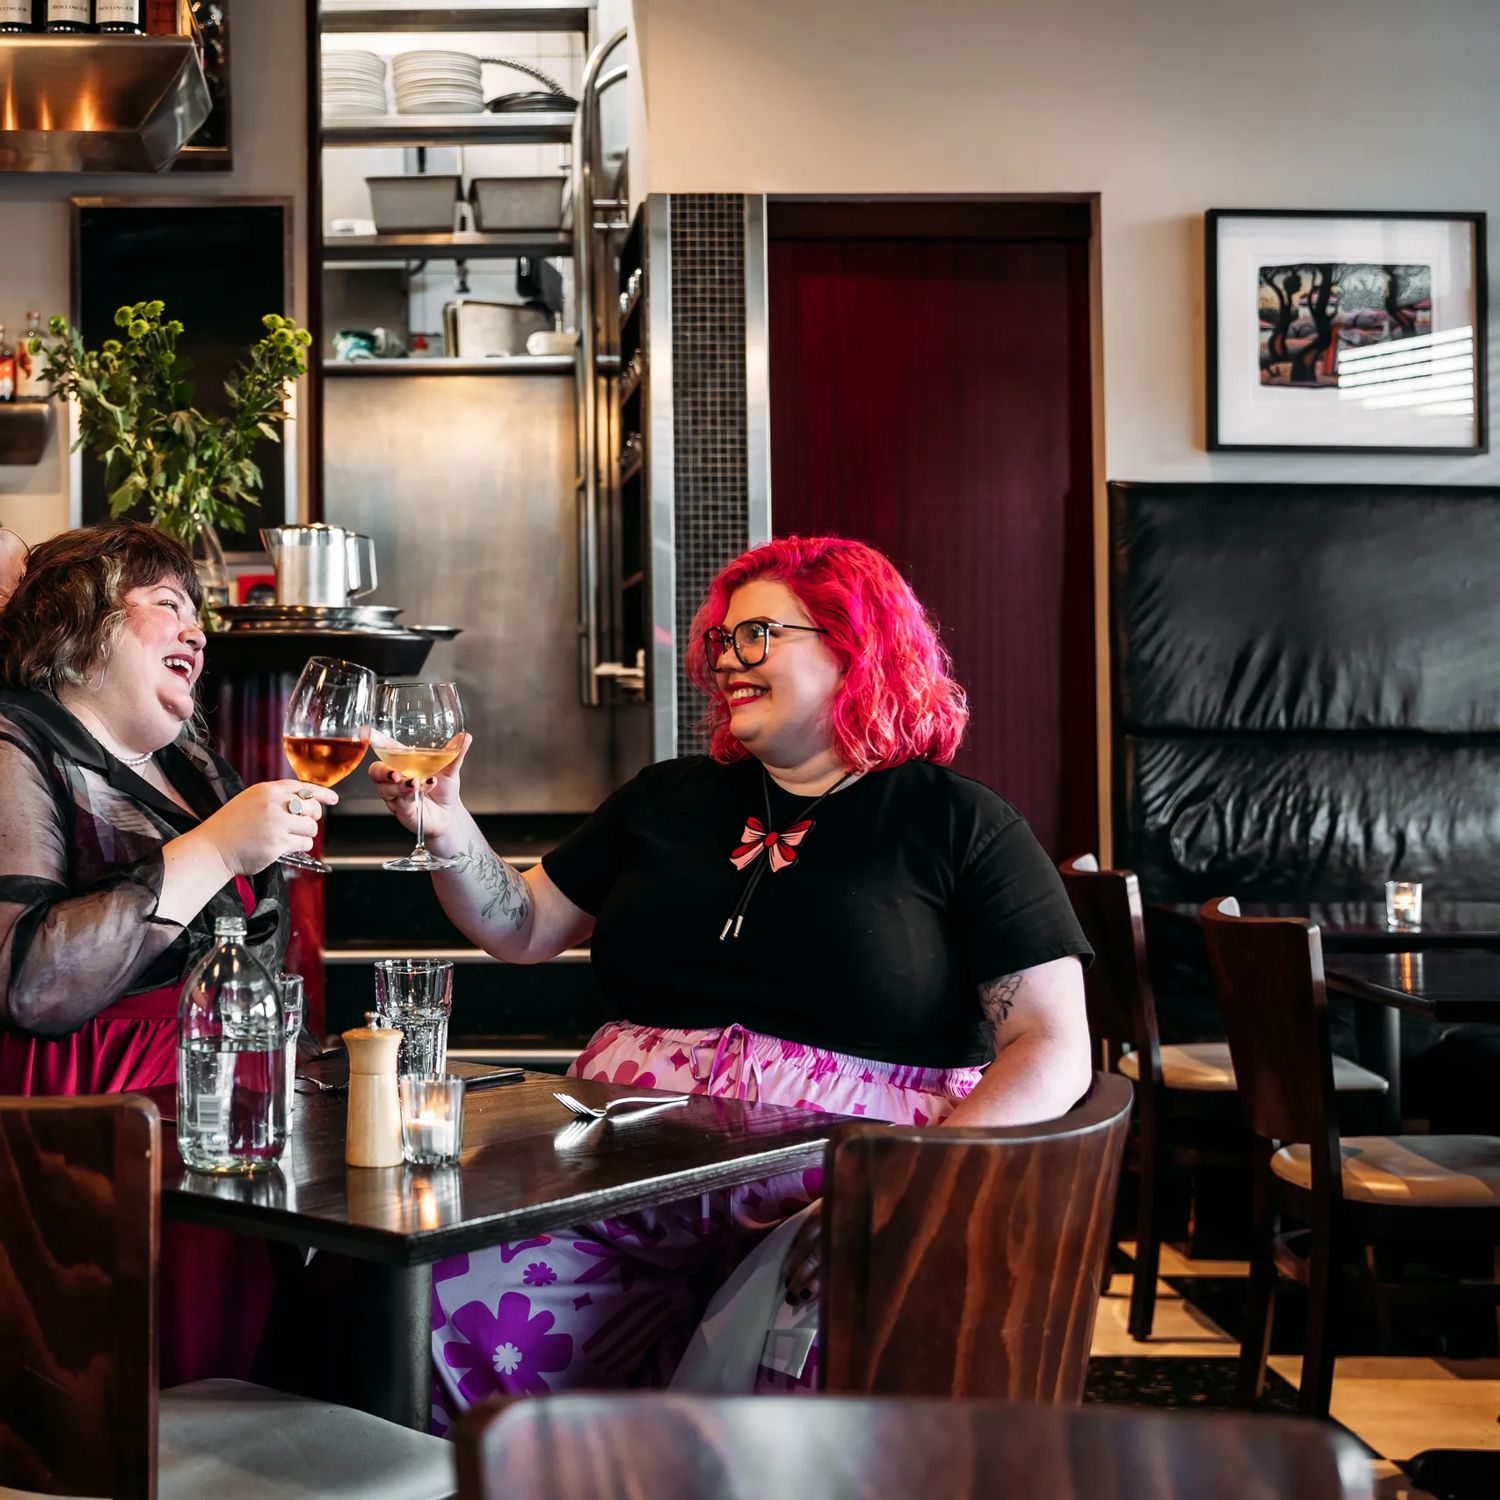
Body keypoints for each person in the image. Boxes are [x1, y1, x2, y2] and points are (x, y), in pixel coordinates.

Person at [371, 534, 1093, 1425]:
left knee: (808, 1364)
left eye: (758, 636)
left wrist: (905, 1189)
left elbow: (1051, 1044)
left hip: (830, 1203)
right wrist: (447, 830)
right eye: (722, 639)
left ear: (853, 644)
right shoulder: (664, 799)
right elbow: (522, 927)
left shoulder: (959, 823)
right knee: (443, 1301)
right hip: (623, 1190)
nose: (726, 661)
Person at [0, 520, 338, 1379]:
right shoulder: (16, 739)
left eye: (198, 614)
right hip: (97, 1119)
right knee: (135, 1383)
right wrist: (216, 849)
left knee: (240, 1371)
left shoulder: (198, 769)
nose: (197, 631)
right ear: (82, 620)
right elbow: (30, 983)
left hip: (223, 1110)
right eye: (168, 604)